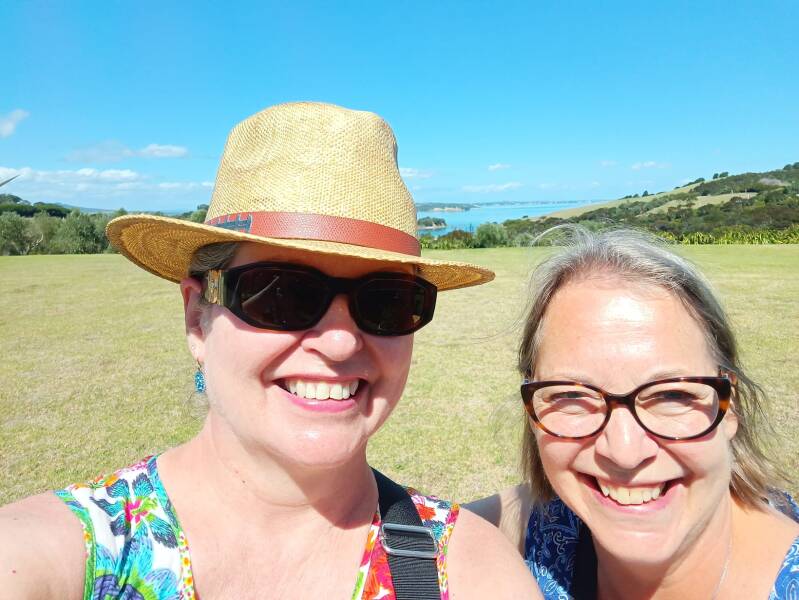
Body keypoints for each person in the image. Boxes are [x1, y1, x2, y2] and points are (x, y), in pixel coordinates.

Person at [0, 102, 540, 599]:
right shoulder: (49, 554)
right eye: (282, 294)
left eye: (388, 301)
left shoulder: (469, 568)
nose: (340, 342)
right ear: (197, 318)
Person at [469, 227, 799, 599]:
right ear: (532, 413)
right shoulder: (542, 531)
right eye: (572, 396)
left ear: (730, 406)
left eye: (671, 394)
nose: (624, 453)